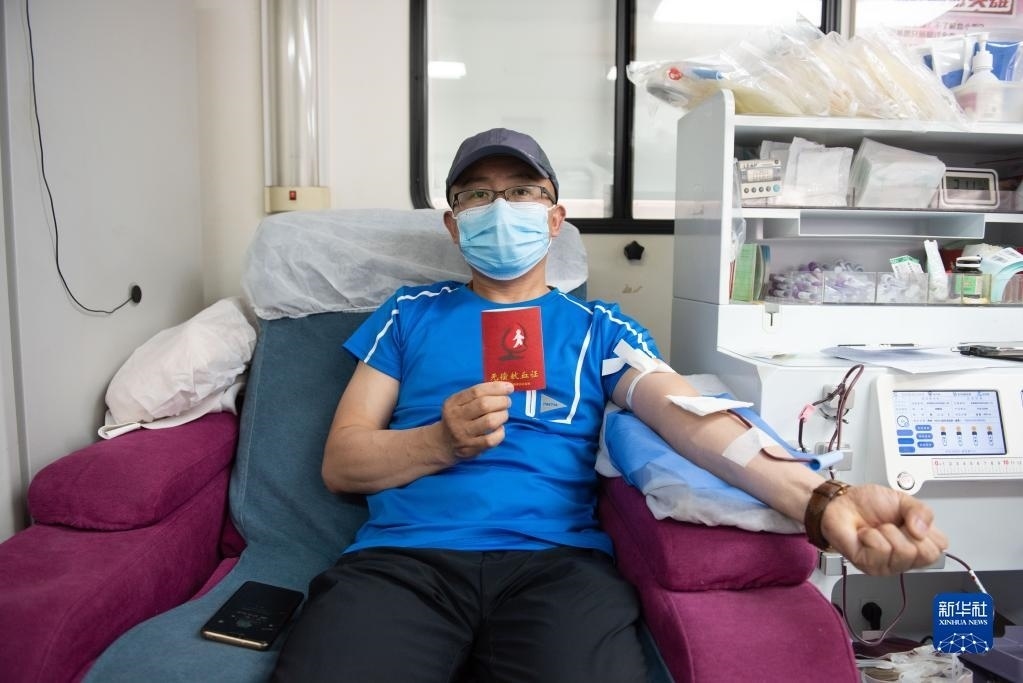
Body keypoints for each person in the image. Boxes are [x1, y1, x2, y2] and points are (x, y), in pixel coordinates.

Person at [271, 128, 948, 683]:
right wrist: (439, 441)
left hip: (555, 568)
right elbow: (342, 462)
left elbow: (690, 418)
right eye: (477, 195)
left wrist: (824, 500)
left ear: (554, 217)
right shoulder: (409, 314)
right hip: (404, 561)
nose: (500, 207)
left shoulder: (599, 329)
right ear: (453, 224)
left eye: (521, 191)